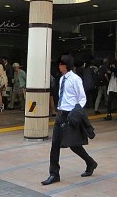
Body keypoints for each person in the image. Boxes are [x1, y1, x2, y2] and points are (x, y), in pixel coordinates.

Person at [41, 55, 97, 186]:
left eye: (60, 64)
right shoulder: (62, 79)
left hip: (70, 115)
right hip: (60, 114)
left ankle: (90, 163)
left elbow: (82, 98)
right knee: (55, 144)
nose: (59, 66)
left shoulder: (75, 79)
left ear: (66, 65)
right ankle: (54, 174)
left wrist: (75, 113)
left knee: (74, 144)